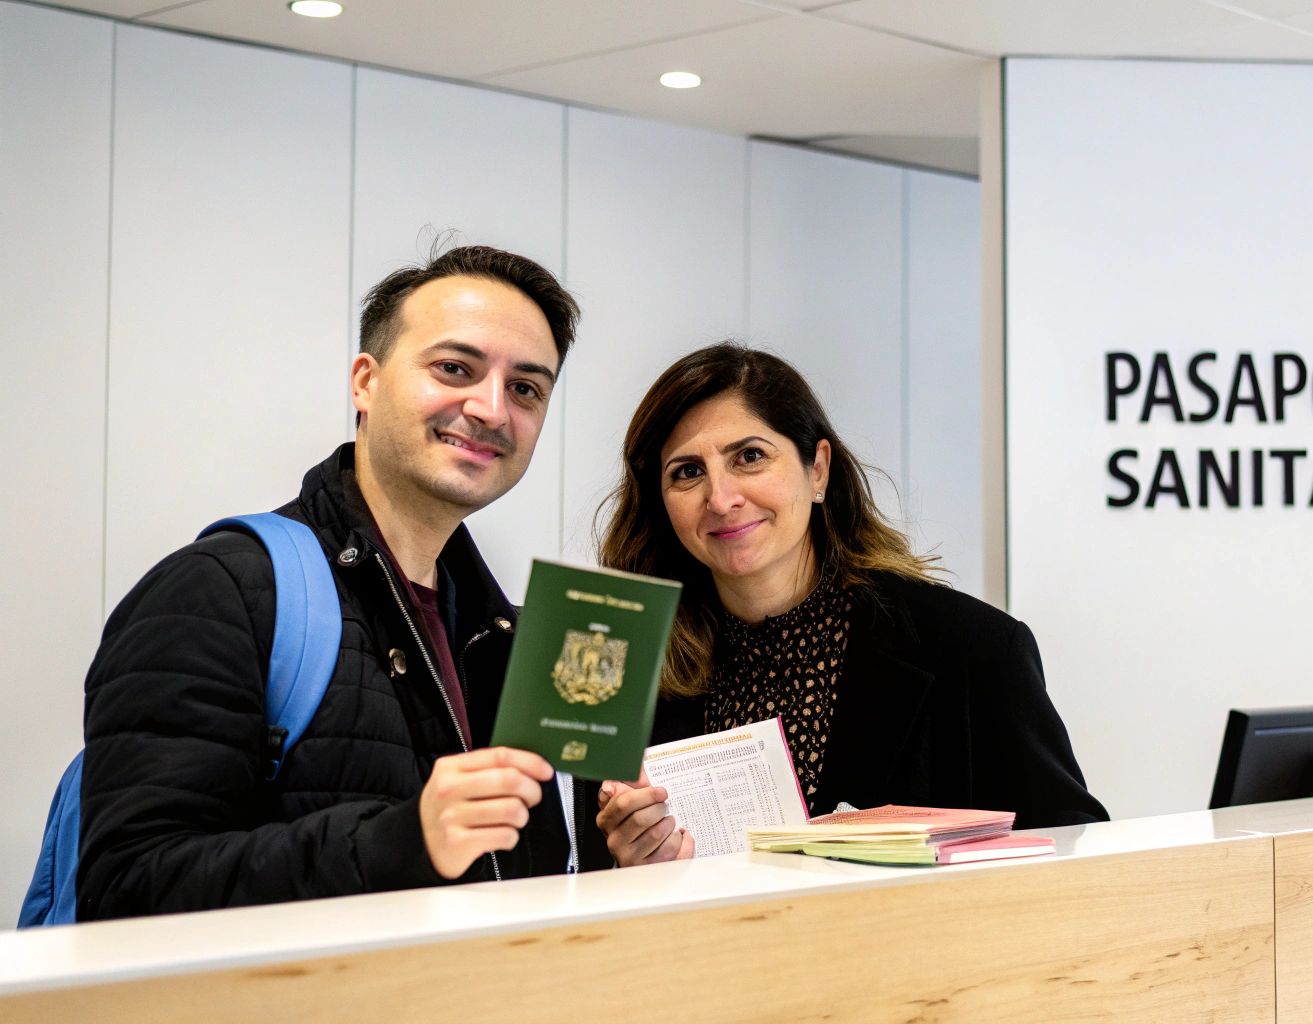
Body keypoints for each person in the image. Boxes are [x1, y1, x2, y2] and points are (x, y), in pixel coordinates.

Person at [80, 245, 600, 920]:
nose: (492, 409)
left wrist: (617, 853)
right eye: (454, 368)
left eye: (526, 388)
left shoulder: (510, 636)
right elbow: (126, 889)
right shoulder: (219, 592)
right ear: (365, 381)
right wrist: (400, 841)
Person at [591, 343, 1107, 867]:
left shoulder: (972, 650)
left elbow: (1073, 855)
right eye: (687, 472)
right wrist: (632, 869)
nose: (721, 499)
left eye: (749, 457)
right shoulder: (632, 671)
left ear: (817, 469)